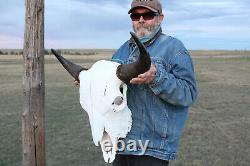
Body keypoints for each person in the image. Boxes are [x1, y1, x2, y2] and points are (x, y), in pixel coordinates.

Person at [110, 0, 198, 165]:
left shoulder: (174, 48)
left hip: (153, 149)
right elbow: (112, 88)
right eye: (136, 15)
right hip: (121, 143)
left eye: (148, 15)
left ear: (160, 18)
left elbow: (188, 94)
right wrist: (91, 83)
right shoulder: (121, 50)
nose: (141, 20)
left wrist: (156, 78)